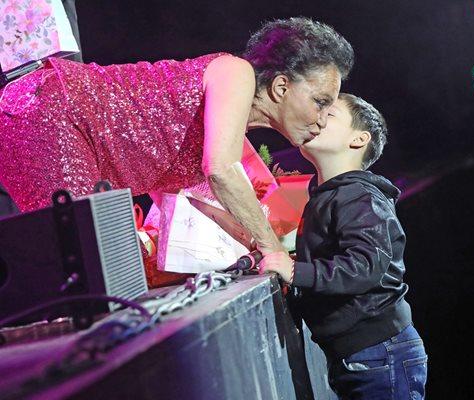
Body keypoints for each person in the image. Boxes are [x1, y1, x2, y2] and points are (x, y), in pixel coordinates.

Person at [0, 17, 353, 257]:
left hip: (54, 120)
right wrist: (272, 249)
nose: (323, 119)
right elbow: (221, 170)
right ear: (280, 87)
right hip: (51, 110)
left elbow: (186, 197)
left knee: (92, 267)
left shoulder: (225, 128)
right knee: (87, 263)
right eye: (321, 102)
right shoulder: (236, 72)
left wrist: (257, 242)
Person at [259, 93, 428, 399]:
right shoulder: (333, 195)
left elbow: (364, 266)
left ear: (359, 139)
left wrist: (296, 271)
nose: (316, 116)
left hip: (380, 352)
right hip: (364, 355)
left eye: (329, 113)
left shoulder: (359, 196)